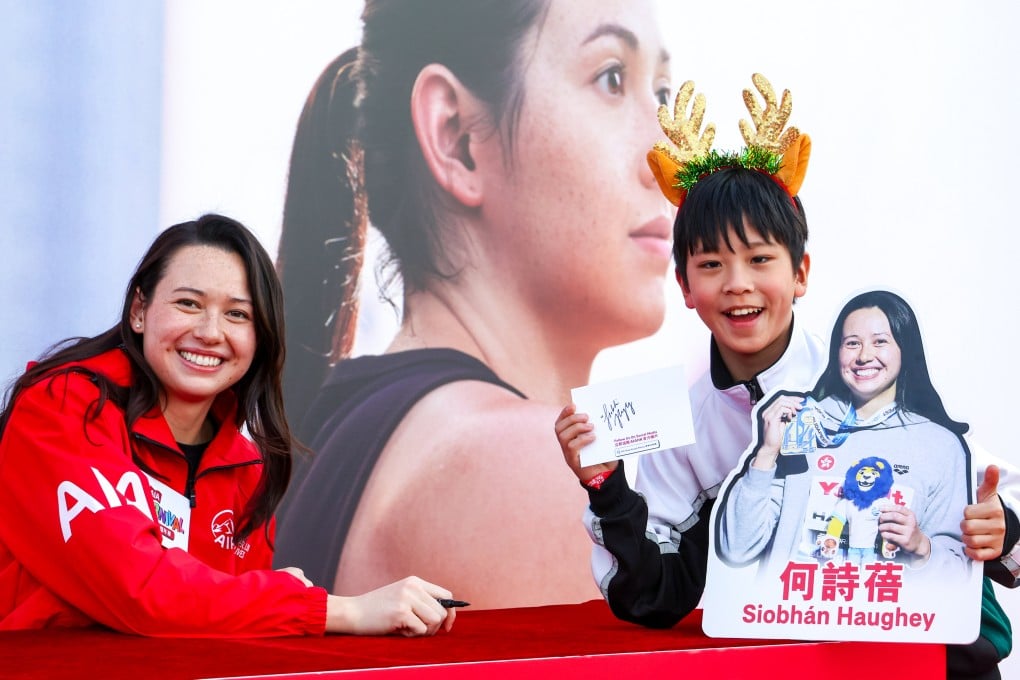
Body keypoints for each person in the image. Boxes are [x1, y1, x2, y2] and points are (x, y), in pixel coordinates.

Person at [557, 78, 1019, 678]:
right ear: (685, 287)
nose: (738, 283)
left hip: (933, 662)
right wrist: (608, 489)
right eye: (712, 264)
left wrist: (1001, 528)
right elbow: (657, 596)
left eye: (760, 258)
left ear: (801, 272)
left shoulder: (873, 373)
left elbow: (994, 501)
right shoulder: (686, 423)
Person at [273, 0, 675, 610]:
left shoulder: (353, 423)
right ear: (457, 138)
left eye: (665, 95)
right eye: (611, 78)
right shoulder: (534, 469)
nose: (673, 157)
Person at [0, 214, 456, 637]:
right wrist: (340, 611)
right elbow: (141, 592)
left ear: (260, 337)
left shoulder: (247, 468)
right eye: (188, 303)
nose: (210, 332)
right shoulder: (64, 408)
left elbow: (223, 628)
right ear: (139, 310)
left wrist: (275, 598)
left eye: (237, 314)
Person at [716, 291, 970, 581]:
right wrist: (766, 454)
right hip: (793, 619)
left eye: (880, 341)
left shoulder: (940, 445)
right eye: (852, 343)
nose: (864, 356)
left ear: (906, 349)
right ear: (837, 352)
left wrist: (921, 547)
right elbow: (737, 550)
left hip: (888, 621)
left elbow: (958, 575)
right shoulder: (803, 426)